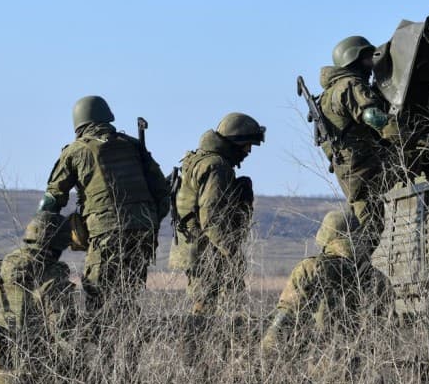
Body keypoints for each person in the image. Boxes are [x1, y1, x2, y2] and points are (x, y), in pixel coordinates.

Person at [39, 95, 170, 339]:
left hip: (106, 234)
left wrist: (37, 241)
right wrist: (148, 221)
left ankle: (100, 364)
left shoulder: (76, 151)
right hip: (143, 234)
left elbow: (52, 199)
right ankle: (126, 360)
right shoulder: (133, 146)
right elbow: (162, 192)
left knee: (96, 298)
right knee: (127, 298)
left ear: (79, 124)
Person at [168, 112, 264, 364]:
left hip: (198, 250)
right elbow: (212, 219)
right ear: (234, 142)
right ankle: (196, 367)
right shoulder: (217, 167)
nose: (248, 152)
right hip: (208, 253)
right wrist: (232, 252)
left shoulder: (198, 160)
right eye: (246, 145)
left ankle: (202, 365)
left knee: (206, 311)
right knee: (209, 313)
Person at [0, 212, 77, 384]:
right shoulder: (51, 277)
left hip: (1, 360)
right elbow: (63, 331)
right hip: (36, 366)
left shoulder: (5, 270)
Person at [260, 209, 390, 356]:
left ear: (326, 236)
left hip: (316, 367)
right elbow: (386, 335)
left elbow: (285, 318)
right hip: (365, 370)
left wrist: (264, 356)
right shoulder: (379, 279)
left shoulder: (311, 268)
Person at [318, 36, 397, 250]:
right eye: (367, 58)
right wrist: (402, 134)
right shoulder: (350, 85)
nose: (372, 64)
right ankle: (355, 273)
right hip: (363, 167)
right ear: (353, 60)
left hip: (350, 168)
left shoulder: (328, 94)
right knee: (370, 227)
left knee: (366, 222)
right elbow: (371, 116)